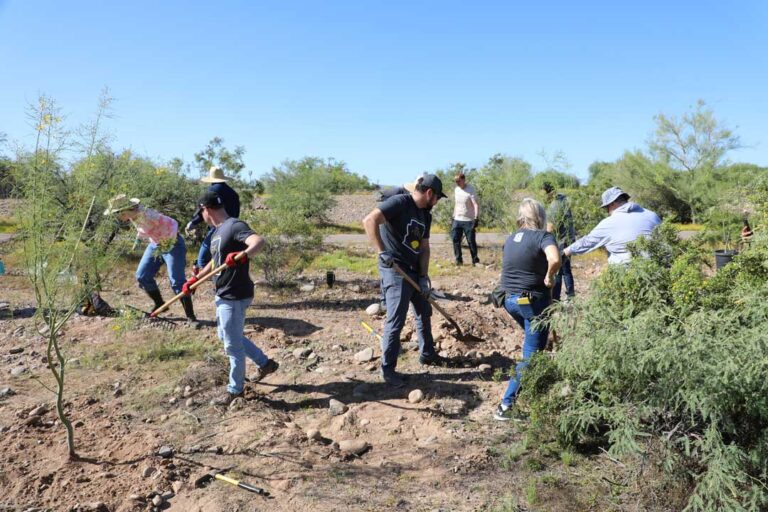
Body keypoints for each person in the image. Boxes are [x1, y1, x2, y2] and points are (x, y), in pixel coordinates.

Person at [182, 191, 279, 406]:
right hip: (224, 292)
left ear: (205, 210)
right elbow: (216, 262)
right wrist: (196, 279)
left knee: (232, 345)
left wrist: (242, 255)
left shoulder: (234, 226)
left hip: (235, 294)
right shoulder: (217, 232)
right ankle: (265, 363)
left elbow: (258, 241)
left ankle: (235, 391)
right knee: (226, 336)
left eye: (202, 214)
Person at [362, 173, 447, 387]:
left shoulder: (425, 215)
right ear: (429, 193)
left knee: (424, 312)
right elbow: (369, 220)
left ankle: (427, 353)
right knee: (396, 319)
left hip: (414, 270)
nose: (437, 202)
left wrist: (424, 276)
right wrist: (382, 252)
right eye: (437, 198)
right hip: (395, 268)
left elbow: (425, 248)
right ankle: (388, 370)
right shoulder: (400, 203)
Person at [494, 198, 561, 421]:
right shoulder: (543, 236)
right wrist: (549, 277)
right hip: (532, 302)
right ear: (540, 217)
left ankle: (534, 384)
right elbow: (555, 259)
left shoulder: (511, 238)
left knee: (534, 344)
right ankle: (506, 406)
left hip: (509, 300)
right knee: (531, 355)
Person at [103, 194, 198, 324]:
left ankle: (191, 317)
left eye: (117, 213)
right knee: (142, 275)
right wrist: (137, 240)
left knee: (177, 281)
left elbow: (173, 224)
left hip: (173, 243)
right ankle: (160, 304)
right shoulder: (133, 216)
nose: (116, 217)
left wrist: (165, 246)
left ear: (124, 210)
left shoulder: (147, 214)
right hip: (156, 243)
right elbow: (144, 229)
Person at [563, 187, 661, 265]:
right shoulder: (652, 214)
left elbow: (588, 242)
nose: (608, 211)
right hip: (659, 268)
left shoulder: (610, 222)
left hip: (629, 276)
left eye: (607, 207)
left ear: (612, 204)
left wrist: (566, 251)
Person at [185, 166, 241, 274]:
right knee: (222, 255)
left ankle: (219, 279)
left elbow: (206, 210)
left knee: (203, 260)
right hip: (232, 227)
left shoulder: (212, 191)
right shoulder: (233, 193)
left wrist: (193, 222)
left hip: (217, 228)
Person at [542, 182, 576, 300]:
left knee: (559, 270)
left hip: (561, 242)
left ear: (548, 193)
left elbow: (550, 228)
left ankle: (556, 298)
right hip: (568, 239)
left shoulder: (554, 206)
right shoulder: (563, 201)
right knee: (565, 269)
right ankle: (569, 295)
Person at [451, 173, 480, 266]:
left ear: (463, 180)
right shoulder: (456, 190)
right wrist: (453, 215)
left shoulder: (470, 190)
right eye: (455, 181)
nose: (457, 183)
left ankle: (475, 260)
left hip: (468, 220)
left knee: (471, 241)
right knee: (455, 239)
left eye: (458, 181)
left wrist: (476, 218)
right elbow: (456, 203)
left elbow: (475, 204)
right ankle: (458, 260)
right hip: (457, 219)